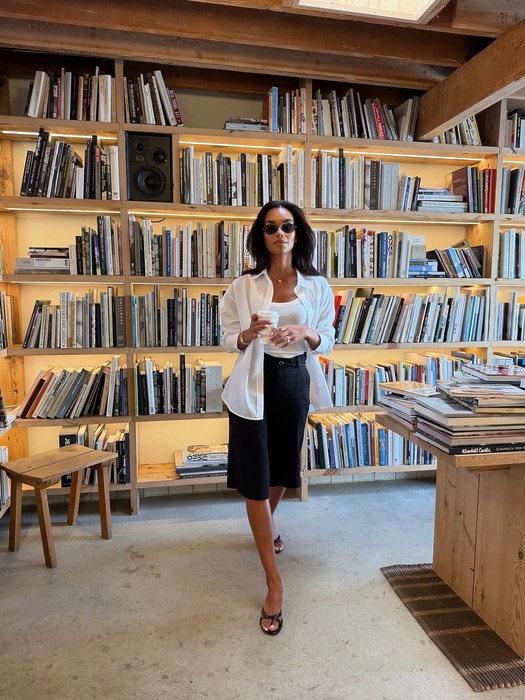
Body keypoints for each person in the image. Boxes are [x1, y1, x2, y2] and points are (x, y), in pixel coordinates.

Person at [219, 200, 335, 635]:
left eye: (287, 226)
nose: (279, 234)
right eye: (270, 228)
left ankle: (265, 528)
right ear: (261, 235)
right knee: (255, 476)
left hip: (293, 381)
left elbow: (328, 339)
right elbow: (227, 335)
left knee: (283, 469)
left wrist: (306, 331)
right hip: (253, 381)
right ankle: (274, 582)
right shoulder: (244, 285)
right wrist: (246, 334)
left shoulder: (316, 284)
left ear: (297, 233)